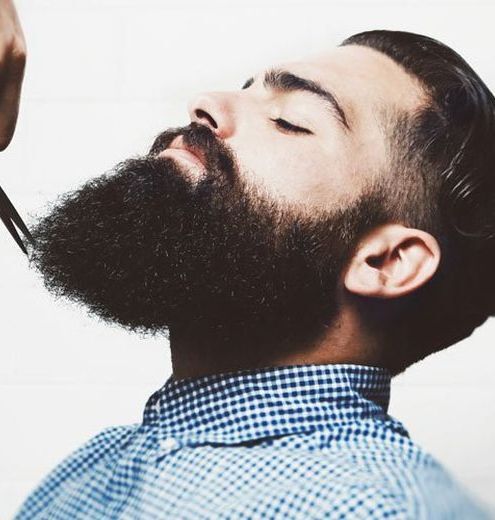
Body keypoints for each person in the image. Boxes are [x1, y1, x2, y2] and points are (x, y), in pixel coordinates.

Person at [13, 28, 494, 519]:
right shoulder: (91, 470)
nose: (204, 104)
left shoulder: (375, 510)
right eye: (246, 89)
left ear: (386, 262)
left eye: (289, 120)